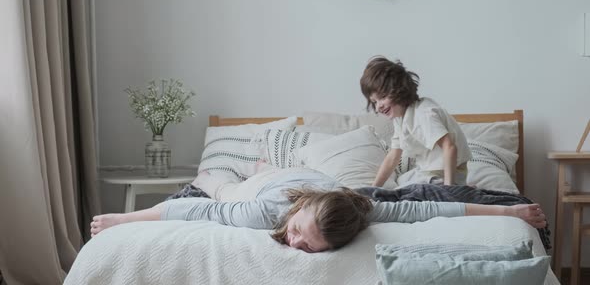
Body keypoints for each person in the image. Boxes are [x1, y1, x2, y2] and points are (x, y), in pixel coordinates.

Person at [90, 168, 547, 253]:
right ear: (300, 212)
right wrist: (121, 219)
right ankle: (242, 170)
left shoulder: (363, 209)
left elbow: (425, 210)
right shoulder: (263, 213)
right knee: (218, 189)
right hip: (265, 186)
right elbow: (192, 213)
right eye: (297, 233)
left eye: (304, 246)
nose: (291, 242)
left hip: (323, 180)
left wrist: (508, 216)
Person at [360, 56, 472, 187]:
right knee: (401, 181)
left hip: (443, 176)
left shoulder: (423, 114)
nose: (378, 106)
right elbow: (393, 157)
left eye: (382, 97)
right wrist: (374, 188)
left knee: (405, 193)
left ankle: (461, 189)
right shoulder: (400, 117)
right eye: (374, 101)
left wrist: (450, 188)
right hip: (427, 172)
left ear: (399, 89)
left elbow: (450, 147)